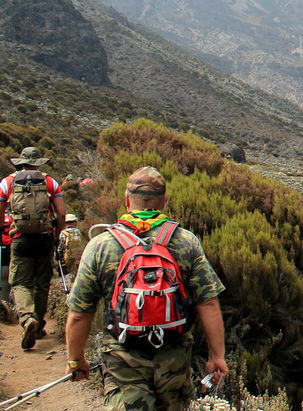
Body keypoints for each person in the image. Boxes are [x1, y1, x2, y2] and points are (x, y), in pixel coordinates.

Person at [65, 166, 228, 410]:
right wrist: (217, 357)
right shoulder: (186, 241)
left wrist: (76, 360)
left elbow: (80, 313)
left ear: (126, 200)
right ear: (165, 200)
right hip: (173, 358)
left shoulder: (101, 245)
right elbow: (208, 302)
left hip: (122, 358)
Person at [0, 146, 66, 349]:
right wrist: (55, 236)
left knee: (20, 283)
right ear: (39, 162)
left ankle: (28, 319)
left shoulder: (7, 182)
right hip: (44, 238)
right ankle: (38, 324)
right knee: (42, 284)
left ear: (21, 161)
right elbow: (62, 213)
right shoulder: (50, 182)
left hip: (20, 239)